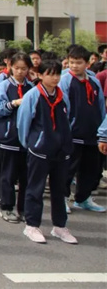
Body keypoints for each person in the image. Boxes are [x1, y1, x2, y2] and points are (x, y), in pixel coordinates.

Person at [17, 59, 77, 244]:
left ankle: (59, 226)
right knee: (35, 188)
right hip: (39, 150)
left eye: (57, 74)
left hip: (61, 150)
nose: (55, 78)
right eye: (50, 74)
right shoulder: (33, 95)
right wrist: (32, 144)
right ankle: (32, 225)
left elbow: (68, 118)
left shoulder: (62, 95)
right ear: (40, 75)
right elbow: (23, 123)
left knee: (60, 190)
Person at [58, 45, 106, 213]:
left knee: (90, 169)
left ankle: (83, 198)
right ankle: (62, 198)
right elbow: (63, 108)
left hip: (92, 133)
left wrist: (102, 131)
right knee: (68, 169)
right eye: (71, 62)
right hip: (73, 134)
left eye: (78, 63)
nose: (74, 66)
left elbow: (101, 106)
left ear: (87, 63)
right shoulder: (65, 80)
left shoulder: (94, 81)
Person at [0, 52, 33, 223]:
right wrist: (13, 103)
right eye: (17, 68)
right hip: (9, 137)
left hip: (28, 139)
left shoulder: (32, 87)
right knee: (8, 176)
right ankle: (6, 207)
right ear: (10, 67)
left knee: (26, 177)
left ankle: (24, 209)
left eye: (24, 68)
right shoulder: (4, 86)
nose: (20, 72)